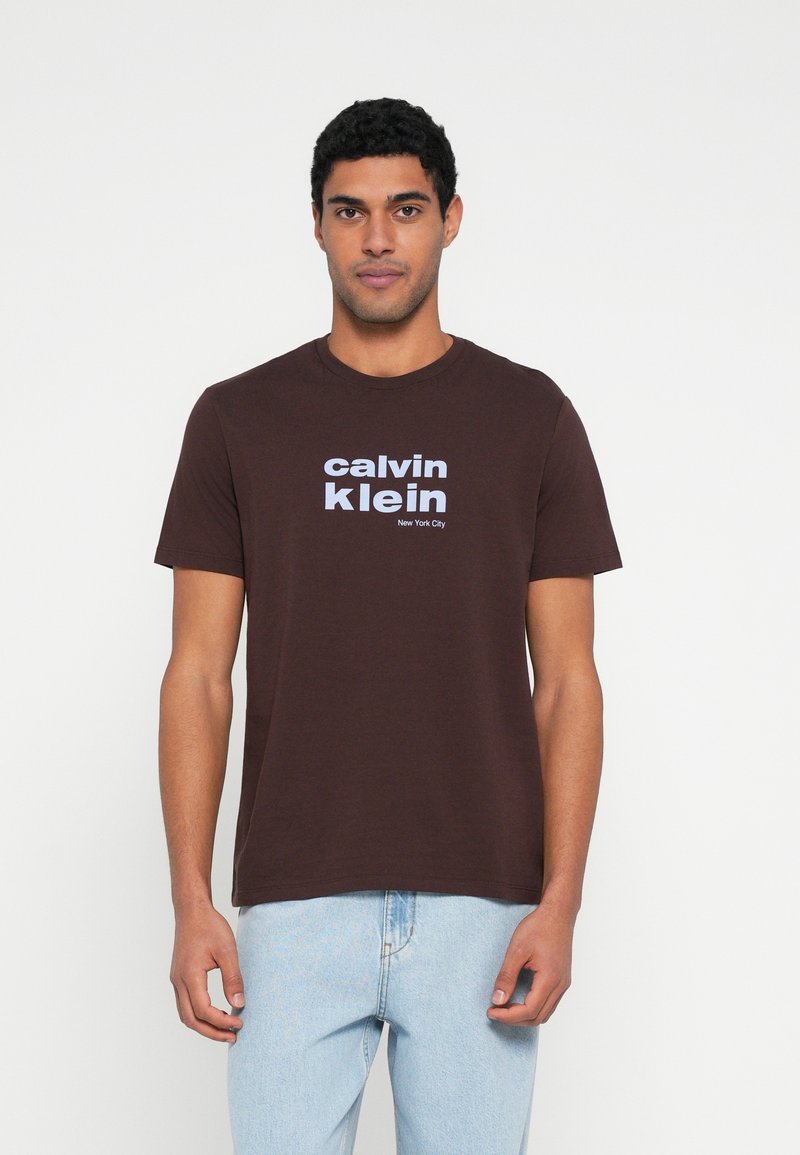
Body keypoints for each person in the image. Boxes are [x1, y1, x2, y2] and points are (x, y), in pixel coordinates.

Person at [154, 96, 623, 1155]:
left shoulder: (529, 417)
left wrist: (559, 903)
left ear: (450, 218)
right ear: (316, 225)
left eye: (405, 209)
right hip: (292, 904)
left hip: (481, 908)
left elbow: (567, 682)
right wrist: (190, 900)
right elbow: (197, 675)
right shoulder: (237, 419)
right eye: (349, 211)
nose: (377, 238)